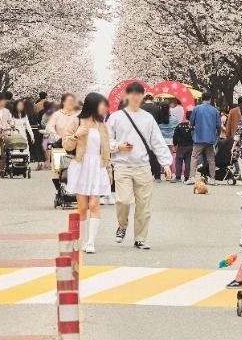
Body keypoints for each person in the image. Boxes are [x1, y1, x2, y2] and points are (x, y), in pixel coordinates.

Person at [107, 82, 173, 249]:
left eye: (139, 94)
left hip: (143, 167)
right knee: (123, 200)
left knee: (143, 206)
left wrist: (166, 164)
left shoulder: (147, 118)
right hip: (122, 166)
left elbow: (157, 142)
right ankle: (122, 225)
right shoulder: (116, 117)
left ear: (143, 96)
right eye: (132, 94)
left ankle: (140, 238)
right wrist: (118, 146)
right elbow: (106, 141)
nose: (135, 97)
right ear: (126, 96)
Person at [63, 93, 113, 254]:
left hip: (98, 167)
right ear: (93, 105)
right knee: (83, 207)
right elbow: (66, 145)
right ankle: (83, 240)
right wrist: (77, 135)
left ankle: (91, 242)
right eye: (101, 105)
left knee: (94, 205)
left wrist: (109, 170)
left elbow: (106, 151)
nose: (104, 108)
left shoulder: (102, 125)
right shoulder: (77, 121)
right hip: (81, 165)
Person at [187, 92, 219, 185]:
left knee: (194, 157)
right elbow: (218, 125)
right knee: (211, 159)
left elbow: (191, 122)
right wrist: (217, 135)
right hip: (210, 138)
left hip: (199, 137)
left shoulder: (196, 109)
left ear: (201, 99)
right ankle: (212, 179)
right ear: (210, 99)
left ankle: (192, 177)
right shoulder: (214, 110)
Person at [171, 118, 193, 183]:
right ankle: (186, 177)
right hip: (190, 146)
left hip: (181, 146)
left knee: (178, 161)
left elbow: (175, 136)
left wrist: (175, 144)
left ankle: (178, 176)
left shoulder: (179, 125)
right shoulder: (193, 126)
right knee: (188, 162)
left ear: (186, 117)